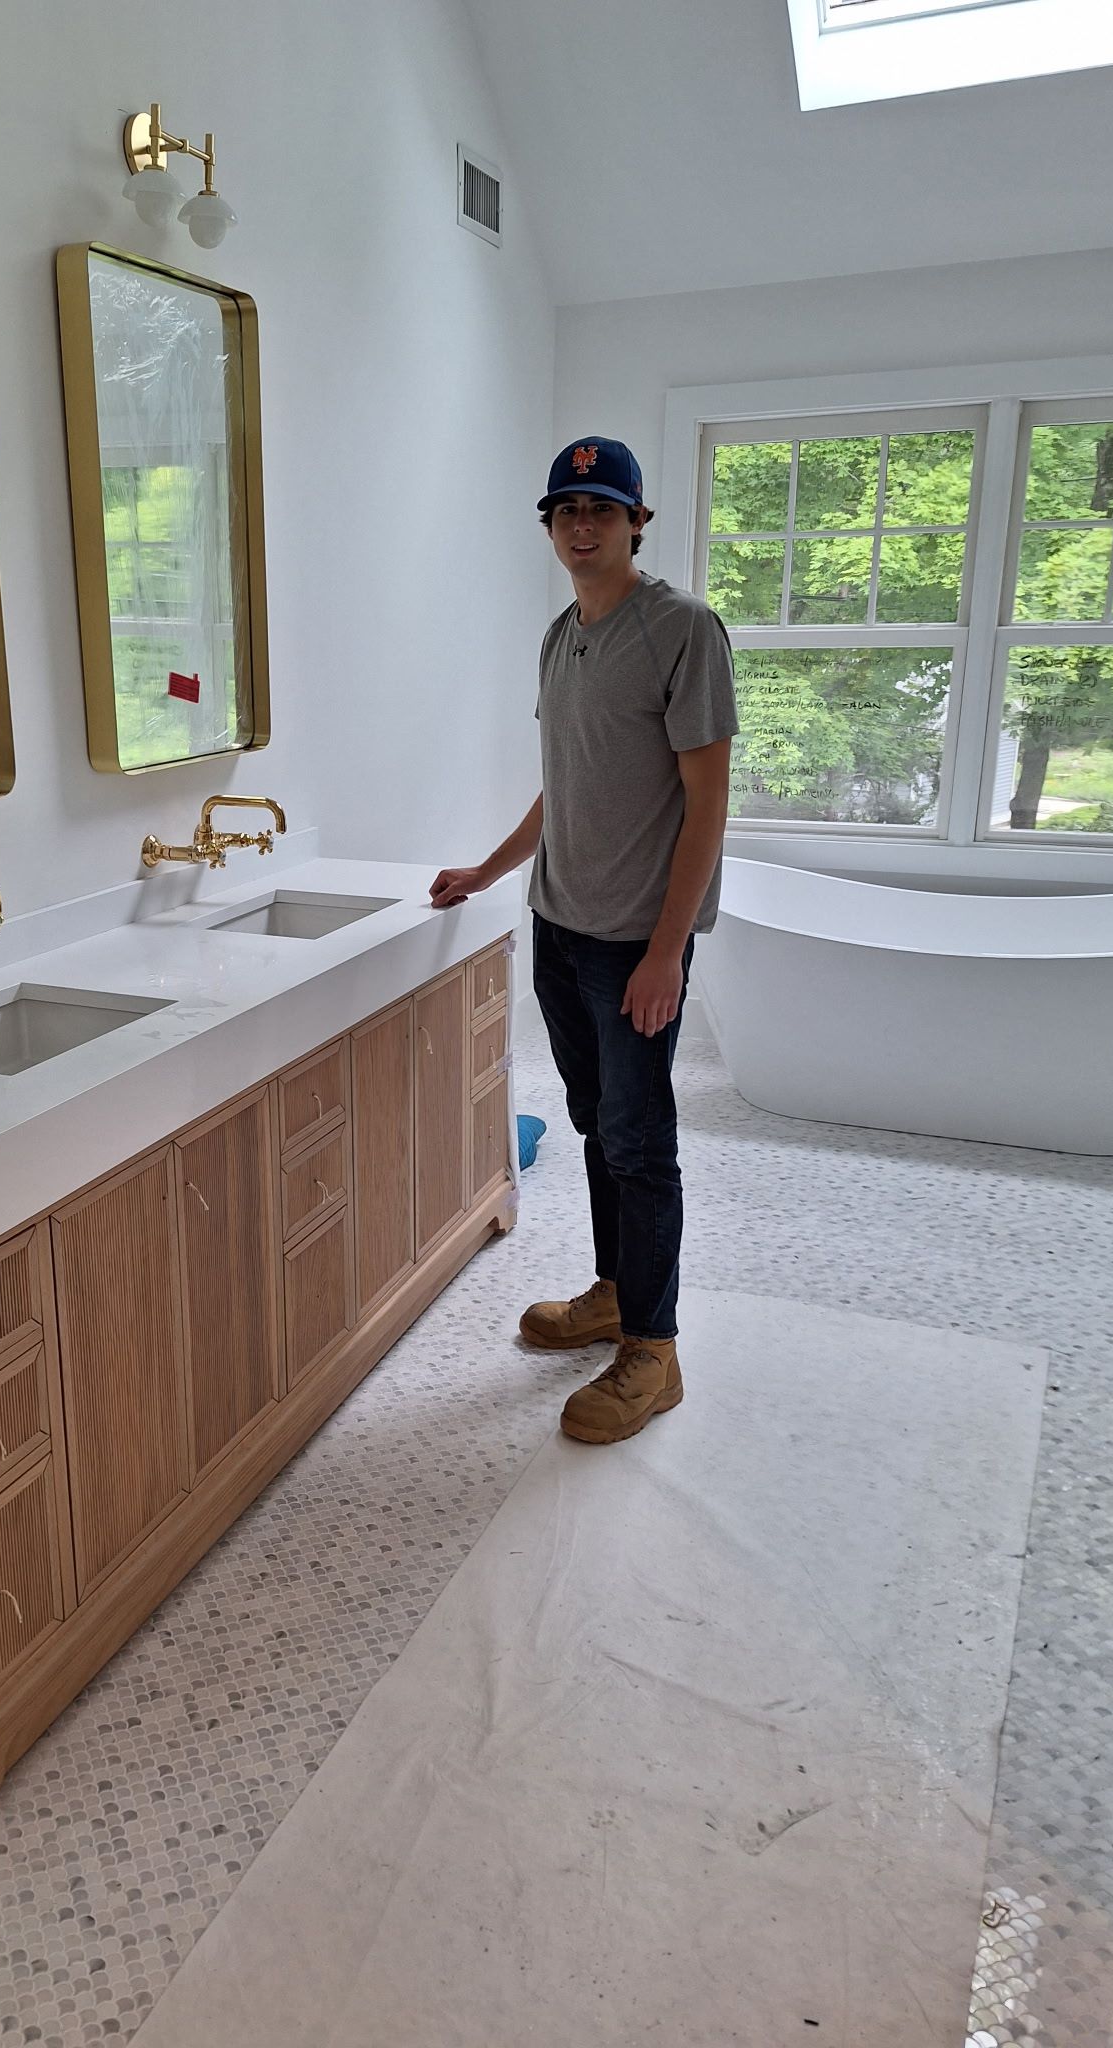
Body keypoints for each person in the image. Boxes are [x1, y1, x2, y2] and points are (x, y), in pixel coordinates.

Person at [430, 437, 737, 1446]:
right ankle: (615, 1288)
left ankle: (655, 1347)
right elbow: (565, 780)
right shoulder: (561, 635)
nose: (583, 523)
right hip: (561, 928)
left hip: (631, 942)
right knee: (601, 1122)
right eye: (566, 509)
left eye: (602, 507)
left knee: (643, 1142)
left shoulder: (684, 630)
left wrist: (665, 950)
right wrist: (493, 865)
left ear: (637, 520)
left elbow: (706, 804)